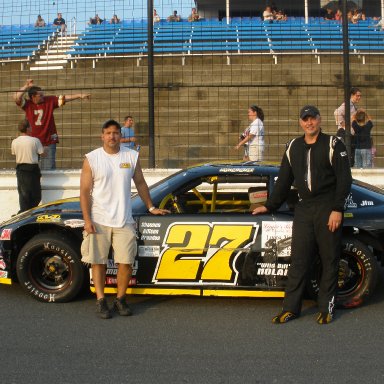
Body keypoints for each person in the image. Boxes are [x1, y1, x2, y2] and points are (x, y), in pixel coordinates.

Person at [253, 105, 352, 325]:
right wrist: (269, 206)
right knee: (299, 260)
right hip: (305, 209)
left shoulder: (334, 144)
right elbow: (284, 181)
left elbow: (345, 180)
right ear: (300, 122)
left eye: (313, 119)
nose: (309, 123)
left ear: (320, 119)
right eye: (305, 120)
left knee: (329, 259)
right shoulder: (292, 147)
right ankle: (291, 309)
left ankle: (326, 307)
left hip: (328, 207)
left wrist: (337, 209)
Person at [80, 119, 169, 319]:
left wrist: (151, 207)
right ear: (102, 136)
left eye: (116, 132)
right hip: (99, 219)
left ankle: (120, 299)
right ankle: (101, 300)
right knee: (98, 262)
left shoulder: (131, 156)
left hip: (124, 220)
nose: (112, 136)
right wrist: (87, 219)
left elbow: (141, 183)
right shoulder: (92, 158)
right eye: (108, 133)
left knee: (126, 262)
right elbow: (84, 192)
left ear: (121, 135)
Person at [14, 79, 91, 170]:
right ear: (33, 97)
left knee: (49, 168)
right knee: (34, 168)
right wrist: (26, 86)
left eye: (43, 94)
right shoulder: (27, 104)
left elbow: (64, 98)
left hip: (48, 140)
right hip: (33, 142)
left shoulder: (49, 100)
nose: (43, 96)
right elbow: (16, 97)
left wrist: (79, 95)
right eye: (40, 95)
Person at [11, 119, 44, 213]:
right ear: (28, 128)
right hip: (33, 170)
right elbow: (42, 152)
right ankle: (29, 213)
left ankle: (24, 212)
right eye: (30, 126)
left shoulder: (14, 141)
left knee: (23, 194)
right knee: (36, 194)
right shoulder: (35, 141)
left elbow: (14, 153)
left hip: (21, 170)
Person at [335, 87, 362, 166]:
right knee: (347, 154)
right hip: (345, 133)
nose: (359, 97)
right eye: (357, 95)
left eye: (360, 96)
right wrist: (343, 124)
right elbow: (337, 112)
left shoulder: (352, 105)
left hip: (349, 133)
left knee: (350, 155)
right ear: (352, 95)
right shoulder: (348, 104)